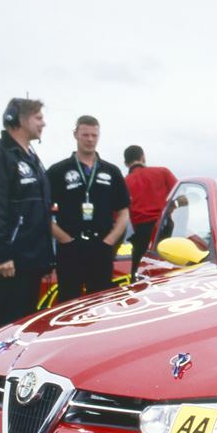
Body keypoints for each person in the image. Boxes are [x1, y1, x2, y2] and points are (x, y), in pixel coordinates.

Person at [0, 97, 53, 329]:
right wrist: (0, 255)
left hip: (33, 260)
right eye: (38, 117)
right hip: (12, 262)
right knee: (8, 326)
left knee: (26, 327)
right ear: (18, 119)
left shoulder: (31, 157)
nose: (43, 123)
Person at [47, 115, 130, 303]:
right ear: (76, 134)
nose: (90, 139)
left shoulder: (111, 171)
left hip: (101, 246)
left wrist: (109, 241)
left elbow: (124, 212)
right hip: (70, 247)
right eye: (85, 134)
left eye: (94, 135)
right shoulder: (58, 171)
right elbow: (41, 211)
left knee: (100, 303)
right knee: (68, 304)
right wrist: (65, 239)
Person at [124, 145, 178, 275]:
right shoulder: (162, 172)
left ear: (126, 163)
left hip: (139, 234)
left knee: (139, 273)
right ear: (143, 157)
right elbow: (181, 197)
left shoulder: (124, 183)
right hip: (165, 228)